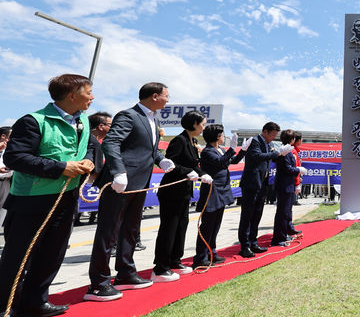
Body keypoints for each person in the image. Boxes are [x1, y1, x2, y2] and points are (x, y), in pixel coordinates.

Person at [0, 74, 95, 316]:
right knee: (18, 256)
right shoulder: (33, 121)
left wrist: (89, 162)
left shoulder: (83, 121)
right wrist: (62, 167)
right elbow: (15, 157)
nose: (92, 97)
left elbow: (92, 148)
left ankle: (36, 301)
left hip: (66, 198)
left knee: (53, 253)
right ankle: (6, 305)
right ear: (72, 96)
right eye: (88, 92)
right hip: (31, 201)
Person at [86, 82, 176, 301]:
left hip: (140, 182)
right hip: (121, 182)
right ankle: (99, 283)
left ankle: (125, 273)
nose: (168, 99)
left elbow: (150, 150)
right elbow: (112, 142)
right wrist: (118, 171)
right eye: (166, 96)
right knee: (109, 232)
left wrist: (161, 160)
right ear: (154, 96)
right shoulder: (128, 115)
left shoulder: (153, 119)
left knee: (131, 229)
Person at [152, 110, 208, 283]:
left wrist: (203, 174)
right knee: (169, 228)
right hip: (172, 191)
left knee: (181, 226)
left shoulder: (193, 141)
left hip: (184, 191)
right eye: (202, 124)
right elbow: (171, 164)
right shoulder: (179, 140)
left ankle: (175, 260)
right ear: (193, 124)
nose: (203, 127)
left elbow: (192, 165)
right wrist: (187, 172)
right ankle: (161, 267)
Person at [193, 125, 249, 268]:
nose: (224, 137)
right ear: (217, 136)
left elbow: (233, 161)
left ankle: (212, 252)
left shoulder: (219, 149)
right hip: (212, 190)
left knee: (216, 224)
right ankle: (201, 256)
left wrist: (242, 150)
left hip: (222, 190)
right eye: (222, 134)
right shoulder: (207, 152)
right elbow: (219, 162)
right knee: (207, 226)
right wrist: (231, 149)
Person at [238, 122, 292, 258]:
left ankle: (253, 242)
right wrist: (275, 154)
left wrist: (281, 154)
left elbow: (270, 159)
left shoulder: (269, 144)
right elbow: (257, 156)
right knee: (247, 215)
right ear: (266, 131)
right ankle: (245, 246)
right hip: (251, 183)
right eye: (273, 134)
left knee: (257, 214)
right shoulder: (255, 141)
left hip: (262, 183)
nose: (274, 138)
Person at [75, 112, 112, 226]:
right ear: (101, 126)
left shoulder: (95, 140)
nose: (113, 128)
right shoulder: (87, 139)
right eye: (111, 125)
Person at [271, 130, 306, 247]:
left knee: (285, 213)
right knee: (282, 213)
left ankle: (283, 235)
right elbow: (287, 168)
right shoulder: (284, 151)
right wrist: (299, 170)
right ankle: (278, 239)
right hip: (284, 186)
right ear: (291, 139)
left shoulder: (288, 150)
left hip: (288, 185)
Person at [0, 126, 13, 229]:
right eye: (11, 136)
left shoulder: (10, 149)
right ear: (3, 136)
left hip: (6, 182)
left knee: (3, 211)